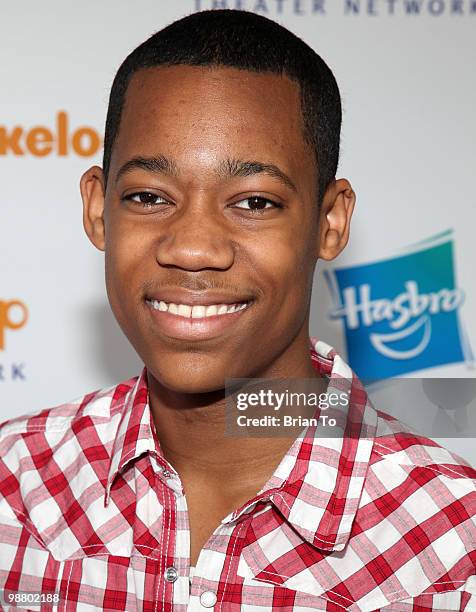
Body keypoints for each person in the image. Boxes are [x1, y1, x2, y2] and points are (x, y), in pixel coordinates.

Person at [0, 9, 474, 611]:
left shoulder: (454, 546)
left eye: (254, 201)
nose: (193, 247)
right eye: (148, 196)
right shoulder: (14, 487)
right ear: (98, 211)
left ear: (330, 223)